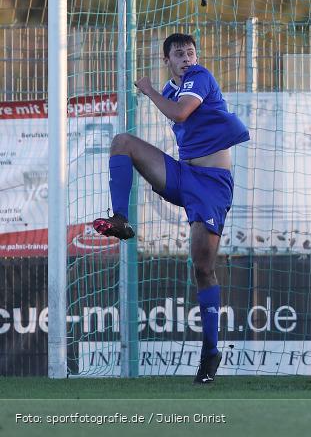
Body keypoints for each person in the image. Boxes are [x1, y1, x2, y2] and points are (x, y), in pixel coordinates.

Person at [92, 32, 250, 385]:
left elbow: (180, 114)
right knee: (122, 143)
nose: (187, 58)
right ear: (167, 60)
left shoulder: (200, 77)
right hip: (183, 175)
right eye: (179, 54)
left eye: (191, 52)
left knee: (202, 266)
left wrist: (147, 90)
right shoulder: (171, 87)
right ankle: (120, 219)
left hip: (210, 186)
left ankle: (210, 351)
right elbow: (179, 114)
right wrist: (154, 90)